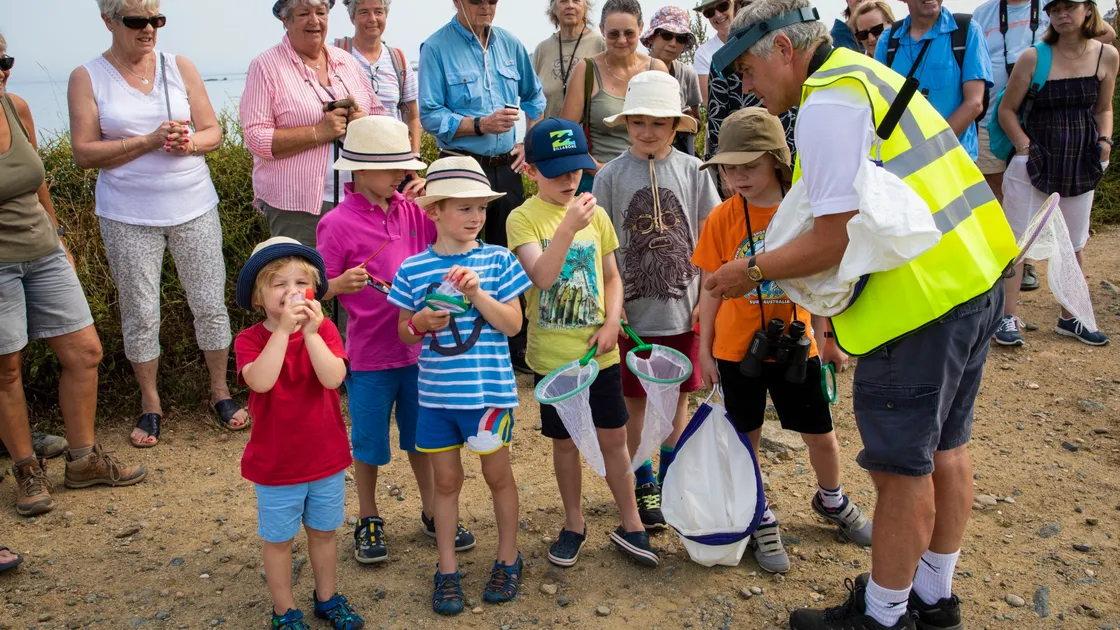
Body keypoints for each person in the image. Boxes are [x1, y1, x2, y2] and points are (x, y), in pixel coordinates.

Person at [709, 0, 1018, 627]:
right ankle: (934, 598)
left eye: (746, 69)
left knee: (900, 472)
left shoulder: (826, 102)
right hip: (974, 275)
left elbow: (832, 238)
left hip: (918, 308)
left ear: (783, 52)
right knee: (948, 451)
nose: (746, 87)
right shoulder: (862, 72)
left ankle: (882, 615)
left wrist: (752, 270)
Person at [693, 108, 873, 574]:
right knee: (746, 437)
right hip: (735, 350)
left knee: (822, 435)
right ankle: (760, 513)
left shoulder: (805, 213)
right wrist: (706, 348)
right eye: (729, 168)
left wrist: (826, 337)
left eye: (748, 166)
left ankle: (831, 499)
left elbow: (818, 283)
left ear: (777, 159)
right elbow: (711, 287)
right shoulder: (721, 219)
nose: (737, 177)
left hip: (798, 347)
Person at [67, 0, 247, 448]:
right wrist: (148, 141)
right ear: (108, 20)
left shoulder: (178, 65)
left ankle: (219, 393)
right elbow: (84, 153)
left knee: (209, 303)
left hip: (195, 206)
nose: (149, 29)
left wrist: (190, 143)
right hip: (127, 215)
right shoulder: (86, 77)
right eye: (136, 21)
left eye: (156, 20)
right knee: (141, 312)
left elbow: (214, 132)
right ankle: (151, 404)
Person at [316, 117, 480, 565]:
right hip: (369, 354)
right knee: (368, 442)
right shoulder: (335, 223)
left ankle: (432, 511)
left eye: (406, 168)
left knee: (422, 438)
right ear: (358, 170)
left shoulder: (411, 210)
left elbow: (453, 241)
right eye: (395, 169)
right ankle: (368, 516)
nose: (401, 176)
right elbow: (314, 287)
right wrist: (337, 285)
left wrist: (431, 197)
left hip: (420, 348)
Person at [0, 30, 147, 519]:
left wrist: (58, 233)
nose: (2, 70)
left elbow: (37, 177)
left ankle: (82, 461)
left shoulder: (14, 107)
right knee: (7, 370)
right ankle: (26, 470)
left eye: (5, 59)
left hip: (42, 251)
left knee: (85, 352)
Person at [508, 117, 660, 569]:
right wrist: (567, 228)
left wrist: (613, 321)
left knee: (615, 438)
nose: (570, 180)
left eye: (576, 169)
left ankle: (631, 522)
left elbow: (612, 276)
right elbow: (542, 275)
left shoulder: (598, 213)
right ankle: (574, 523)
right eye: (556, 171)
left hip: (602, 352)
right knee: (566, 444)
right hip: (555, 359)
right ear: (530, 171)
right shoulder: (523, 218)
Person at [387, 157, 533, 615]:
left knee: (497, 476)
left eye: (481, 209)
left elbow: (513, 326)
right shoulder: (413, 269)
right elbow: (402, 333)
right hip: (436, 398)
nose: (474, 218)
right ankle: (446, 568)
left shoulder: (498, 259)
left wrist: (476, 295)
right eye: (463, 209)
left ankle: (508, 558)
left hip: (489, 397)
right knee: (445, 483)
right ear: (434, 211)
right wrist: (420, 321)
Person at [591, 71, 719, 532]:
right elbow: (600, 246)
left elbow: (710, 236)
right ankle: (642, 479)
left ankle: (671, 473)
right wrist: (612, 304)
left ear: (676, 126)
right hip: (630, 315)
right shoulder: (608, 177)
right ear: (626, 125)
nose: (648, 132)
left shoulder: (694, 171)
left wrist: (706, 295)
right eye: (639, 122)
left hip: (683, 309)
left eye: (659, 124)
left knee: (677, 398)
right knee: (634, 400)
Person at [234, 238, 364, 630]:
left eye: (300, 284)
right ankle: (284, 608)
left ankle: (327, 597)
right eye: (279, 284)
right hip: (275, 464)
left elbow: (334, 377)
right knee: (278, 540)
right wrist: (283, 333)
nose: (292, 292)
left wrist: (310, 333)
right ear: (258, 297)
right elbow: (260, 381)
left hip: (325, 458)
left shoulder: (323, 334)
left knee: (324, 533)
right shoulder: (250, 340)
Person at [974, 0, 1113, 303]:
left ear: (1088, 9)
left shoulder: (1107, 56)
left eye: (1070, 6)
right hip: (1035, 157)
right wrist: (1024, 149)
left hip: (1081, 158)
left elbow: (1104, 108)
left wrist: (1105, 143)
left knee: (1074, 243)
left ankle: (1072, 315)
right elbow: (1007, 109)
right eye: (1055, 9)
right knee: (1018, 241)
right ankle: (1007, 317)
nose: (1062, 14)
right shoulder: (1034, 57)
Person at [241, 0, 382, 248]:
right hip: (297, 208)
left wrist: (364, 123)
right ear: (285, 20)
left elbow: (379, 112)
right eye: (304, 13)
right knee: (302, 282)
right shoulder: (265, 66)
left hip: (358, 199)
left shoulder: (345, 61)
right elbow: (255, 138)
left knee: (353, 282)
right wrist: (319, 132)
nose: (314, 21)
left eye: (321, 12)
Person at [418, 0, 546, 249]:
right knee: (460, 252)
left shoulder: (511, 43)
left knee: (512, 250)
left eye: (493, 0)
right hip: (460, 166)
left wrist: (526, 143)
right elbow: (430, 115)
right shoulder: (435, 47)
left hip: (509, 169)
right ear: (457, 2)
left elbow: (535, 98)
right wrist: (480, 125)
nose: (486, 6)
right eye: (477, 0)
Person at [560, 0, 669, 194]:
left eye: (629, 33)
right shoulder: (586, 71)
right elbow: (563, 135)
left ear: (641, 28)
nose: (621, 40)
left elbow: (672, 126)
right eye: (613, 34)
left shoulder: (657, 69)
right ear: (602, 30)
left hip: (651, 177)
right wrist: (596, 168)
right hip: (597, 181)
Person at [874, 0, 994, 161]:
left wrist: (929, 150)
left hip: (952, 161)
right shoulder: (888, 40)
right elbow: (878, 103)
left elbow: (974, 103)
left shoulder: (967, 31)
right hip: (901, 162)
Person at [704, 0, 797, 197]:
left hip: (790, 151)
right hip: (744, 159)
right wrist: (725, 171)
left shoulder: (791, 49)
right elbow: (716, 119)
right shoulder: (722, 61)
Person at [334, 0, 422, 157]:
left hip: (393, 158)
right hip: (348, 160)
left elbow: (413, 117)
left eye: (378, 12)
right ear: (352, 17)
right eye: (364, 12)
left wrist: (414, 157)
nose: (372, 18)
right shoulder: (335, 55)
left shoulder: (399, 60)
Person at [641, 5, 703, 156]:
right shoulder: (637, 73)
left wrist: (688, 120)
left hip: (678, 155)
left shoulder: (687, 74)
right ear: (652, 37)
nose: (673, 43)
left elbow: (697, 123)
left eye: (680, 38)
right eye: (667, 35)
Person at [532, 0, 606, 120]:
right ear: (553, 9)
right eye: (563, 1)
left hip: (588, 137)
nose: (570, 5)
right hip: (550, 135)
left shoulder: (601, 45)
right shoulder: (542, 50)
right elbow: (533, 101)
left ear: (586, 7)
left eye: (576, 1)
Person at [693, 0, 735, 104]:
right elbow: (709, 100)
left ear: (735, 5)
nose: (717, 15)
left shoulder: (758, 37)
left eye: (723, 6)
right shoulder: (703, 53)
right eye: (709, 12)